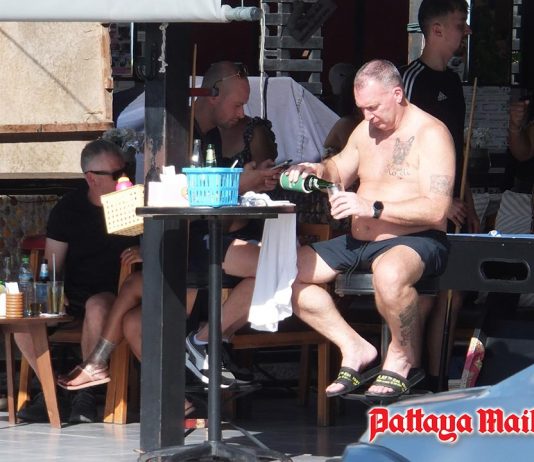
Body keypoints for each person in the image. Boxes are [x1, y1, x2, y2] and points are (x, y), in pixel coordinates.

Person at [57, 61, 282, 390]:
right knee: (134, 315)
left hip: (206, 253)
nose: (241, 113)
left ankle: (103, 362)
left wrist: (246, 183)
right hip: (191, 248)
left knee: (135, 294)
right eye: (237, 104)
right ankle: (179, 395)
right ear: (213, 96)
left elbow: (210, 206)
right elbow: (171, 193)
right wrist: (240, 184)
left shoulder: (211, 137)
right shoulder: (175, 134)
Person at [285, 59, 454, 401]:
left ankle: (403, 357)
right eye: (362, 108)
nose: (367, 116)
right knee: (284, 274)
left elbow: (437, 210)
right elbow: (338, 168)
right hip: (360, 240)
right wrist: (316, 170)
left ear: (397, 94)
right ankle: (353, 346)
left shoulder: (431, 133)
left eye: (373, 107)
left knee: (389, 273)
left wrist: (372, 207)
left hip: (414, 239)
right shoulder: (365, 130)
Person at [15, 139, 139, 423]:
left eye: (126, 171)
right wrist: (55, 292)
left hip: (116, 294)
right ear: (91, 178)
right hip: (72, 294)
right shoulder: (68, 209)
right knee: (23, 321)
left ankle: (85, 393)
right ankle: (52, 391)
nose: (124, 178)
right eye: (116, 174)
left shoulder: (133, 203)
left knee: (97, 305)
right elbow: (52, 264)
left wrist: (142, 248)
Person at [400, 0, 477, 391]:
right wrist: (438, 200)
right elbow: (399, 151)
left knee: (452, 296)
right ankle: (409, 378)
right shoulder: (411, 80)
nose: (467, 31)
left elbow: (457, 152)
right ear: (436, 30)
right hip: (417, 210)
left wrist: (468, 202)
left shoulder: (453, 82)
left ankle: (437, 382)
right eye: (460, 24)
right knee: (424, 298)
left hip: (452, 208)